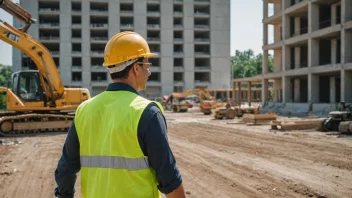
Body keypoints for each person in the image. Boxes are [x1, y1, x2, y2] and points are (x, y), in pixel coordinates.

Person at [54, 31, 186, 198]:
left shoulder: (83, 110)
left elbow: (65, 170)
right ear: (136, 68)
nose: (149, 72)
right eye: (147, 65)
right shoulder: (147, 113)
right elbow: (170, 181)